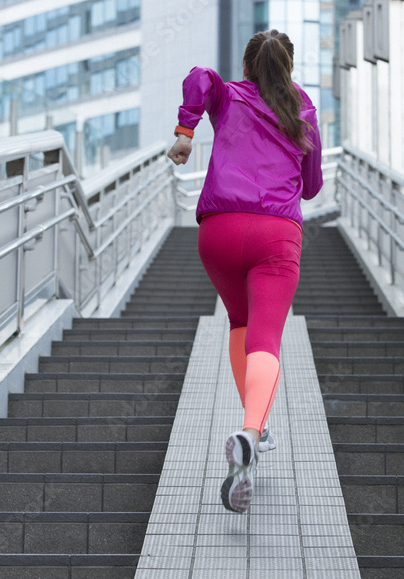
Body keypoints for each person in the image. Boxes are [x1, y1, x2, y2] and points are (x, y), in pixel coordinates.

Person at [167, 29, 323, 513]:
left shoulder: (228, 94)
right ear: (289, 68)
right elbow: (313, 187)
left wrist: (187, 132)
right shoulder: (303, 112)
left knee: (239, 323)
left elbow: (198, 77)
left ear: (248, 65)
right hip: (275, 235)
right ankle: (251, 433)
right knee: (266, 339)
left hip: (218, 231)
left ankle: (257, 421)